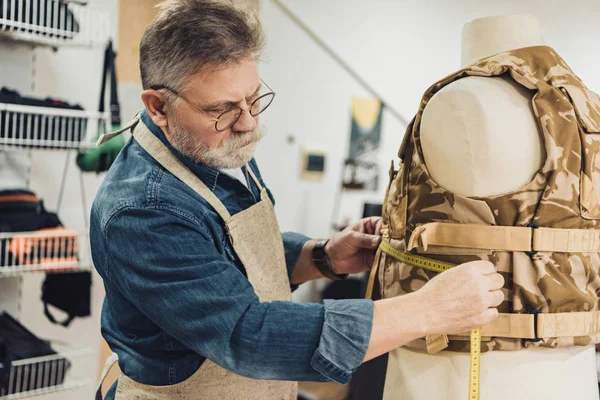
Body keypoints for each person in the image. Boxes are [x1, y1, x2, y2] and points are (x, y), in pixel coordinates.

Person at [91, 1, 505, 399]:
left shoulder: (207, 144)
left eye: (254, 98)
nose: (249, 122)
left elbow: (223, 259)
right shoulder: (143, 210)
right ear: (158, 106)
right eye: (224, 109)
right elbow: (248, 336)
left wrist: (321, 257)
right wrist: (428, 310)